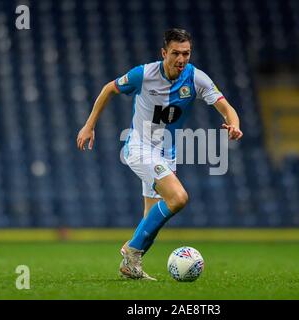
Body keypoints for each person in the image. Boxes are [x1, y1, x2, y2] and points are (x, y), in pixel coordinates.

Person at [76, 28, 243, 280]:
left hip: (167, 154)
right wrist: (89, 125)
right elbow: (108, 89)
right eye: (176, 53)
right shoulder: (143, 74)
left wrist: (234, 124)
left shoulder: (197, 78)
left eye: (186, 53)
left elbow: (226, 107)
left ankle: (130, 266)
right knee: (178, 198)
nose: (181, 59)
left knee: (151, 220)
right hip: (140, 148)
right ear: (164, 53)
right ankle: (131, 249)